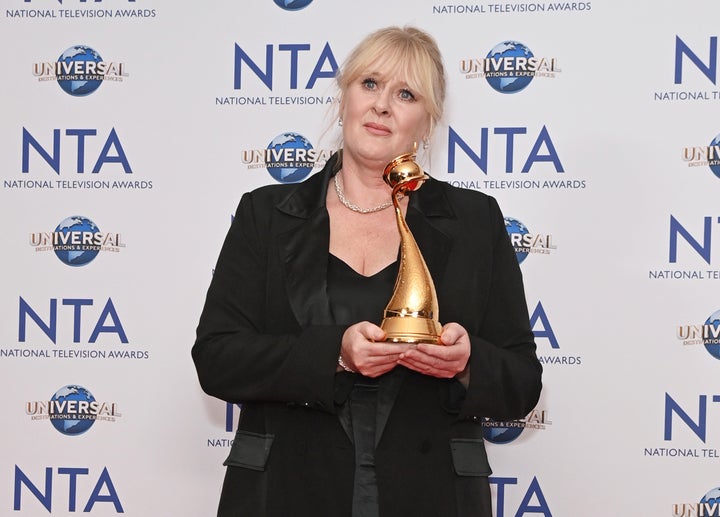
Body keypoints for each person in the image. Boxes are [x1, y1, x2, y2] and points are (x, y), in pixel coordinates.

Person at [192, 25, 542, 517]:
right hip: (284, 492)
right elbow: (217, 358)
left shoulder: (474, 221)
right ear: (344, 98)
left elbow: (521, 383)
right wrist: (333, 354)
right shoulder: (267, 214)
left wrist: (466, 362)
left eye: (406, 93)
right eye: (370, 84)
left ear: (427, 120)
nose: (382, 105)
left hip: (431, 495)